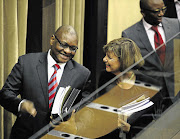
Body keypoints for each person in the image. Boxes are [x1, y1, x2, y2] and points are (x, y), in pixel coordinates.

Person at [0, 25, 91, 139]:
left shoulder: (82, 74)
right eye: (63, 45)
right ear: (52, 40)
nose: (67, 51)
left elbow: (86, 109)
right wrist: (21, 104)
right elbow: (5, 94)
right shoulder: (26, 63)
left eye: (73, 48)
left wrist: (75, 125)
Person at [122, 0, 180, 111]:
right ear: (143, 12)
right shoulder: (130, 34)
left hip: (176, 94)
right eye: (156, 11)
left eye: (163, 9)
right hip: (149, 97)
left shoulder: (176, 25)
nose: (161, 14)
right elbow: (130, 69)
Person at [97, 38, 160, 139]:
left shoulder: (149, 86)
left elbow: (153, 125)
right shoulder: (105, 77)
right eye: (105, 55)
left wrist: (129, 129)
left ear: (123, 61)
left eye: (109, 57)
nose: (104, 59)